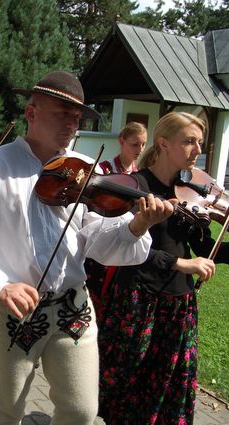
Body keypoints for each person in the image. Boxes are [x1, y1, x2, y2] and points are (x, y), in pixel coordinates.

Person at [0, 71, 173, 424]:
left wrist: (138, 225)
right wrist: (0, 286)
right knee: (9, 408)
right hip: (15, 310)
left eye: (76, 116)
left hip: (73, 307)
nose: (71, 123)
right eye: (61, 113)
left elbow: (98, 240)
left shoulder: (84, 170)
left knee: (81, 410)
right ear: (31, 113)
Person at [96, 112, 229, 424]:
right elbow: (123, 250)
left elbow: (208, 250)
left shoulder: (192, 193)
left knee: (168, 390)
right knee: (126, 384)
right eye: (189, 141)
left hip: (178, 304)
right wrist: (181, 263)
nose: (198, 149)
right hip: (139, 300)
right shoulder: (136, 186)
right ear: (163, 143)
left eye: (200, 142)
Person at [85, 121, 148, 322]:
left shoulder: (140, 176)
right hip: (105, 238)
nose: (140, 150)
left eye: (143, 145)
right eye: (135, 144)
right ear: (122, 141)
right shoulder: (104, 170)